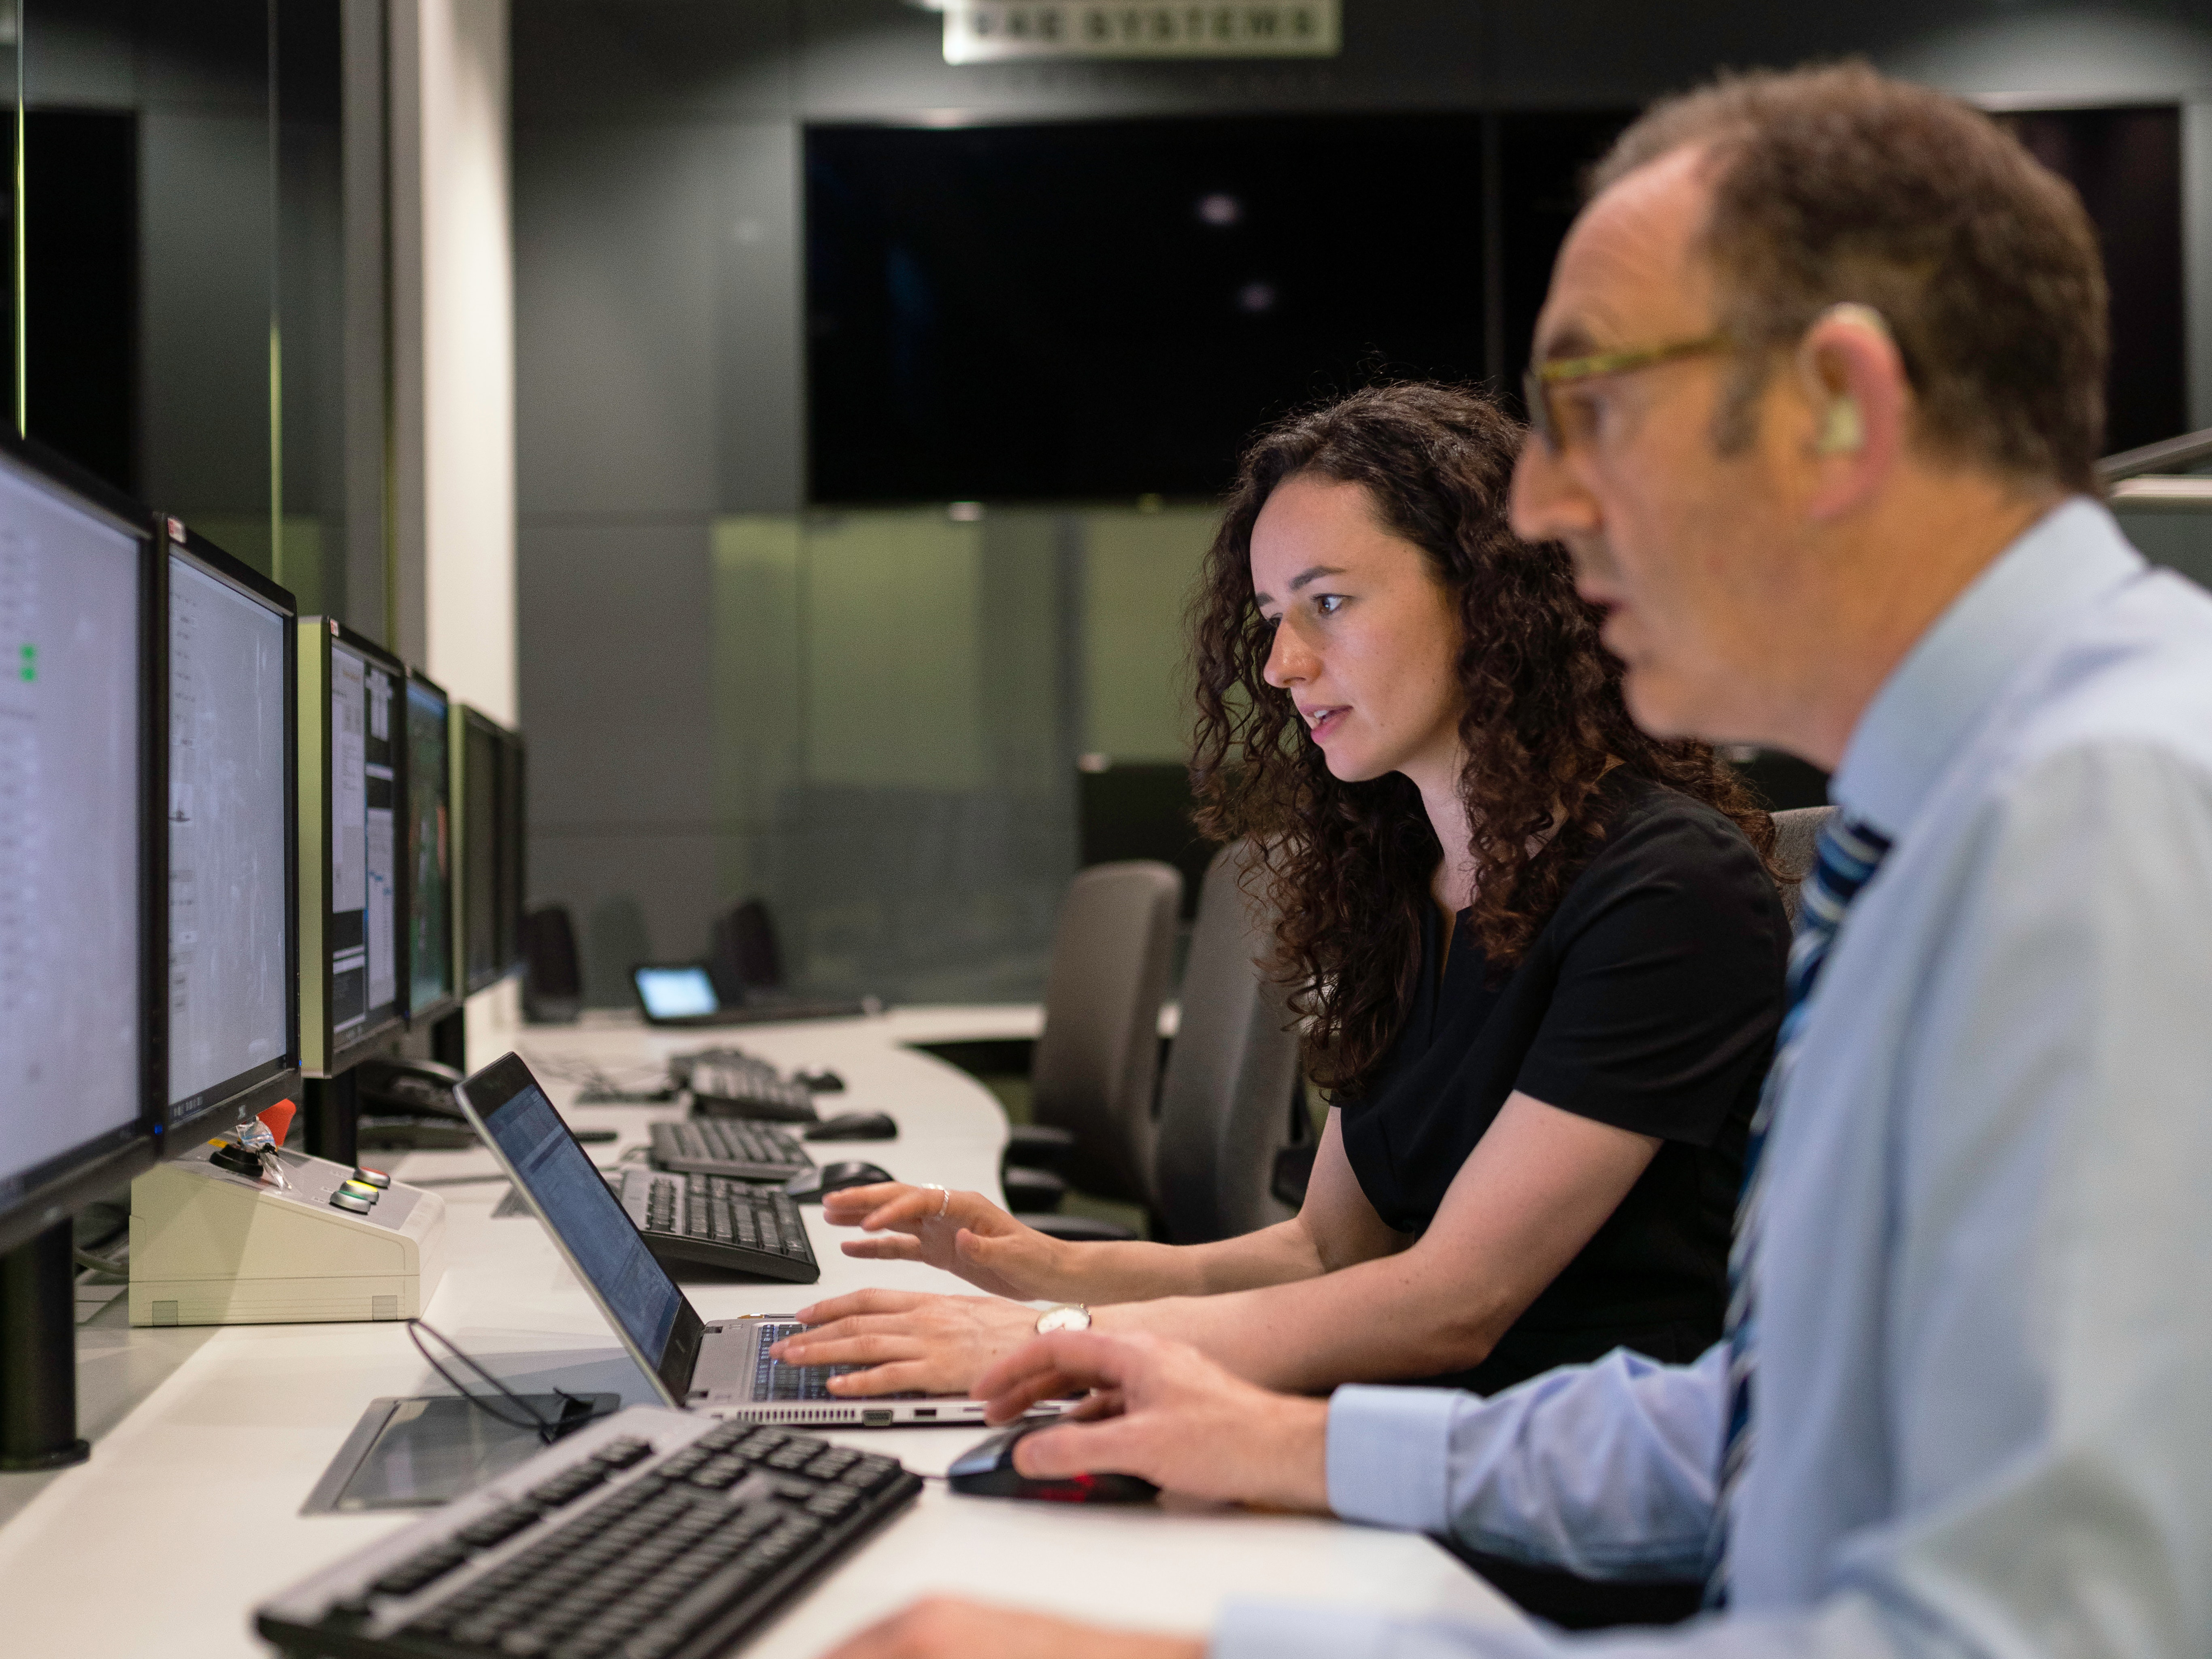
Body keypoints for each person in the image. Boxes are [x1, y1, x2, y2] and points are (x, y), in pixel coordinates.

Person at [817, 62, 2212, 1659]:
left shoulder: (2102, 816)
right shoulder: (1948, 812)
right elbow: (1763, 1428)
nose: (1542, 505)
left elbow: (2014, 1632)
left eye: (1589, 410)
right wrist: (1281, 1437)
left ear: (1837, 406)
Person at [774, 385, 1787, 1454]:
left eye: (1329, 604)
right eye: (1269, 620)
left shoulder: (1668, 888)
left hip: (1550, 1496)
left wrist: (1050, 1338)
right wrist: (1038, 1265)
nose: (1282, 664)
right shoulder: (1403, 880)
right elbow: (1325, 1253)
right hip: (1377, 1446)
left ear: (1489, 593)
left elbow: (1454, 1301)